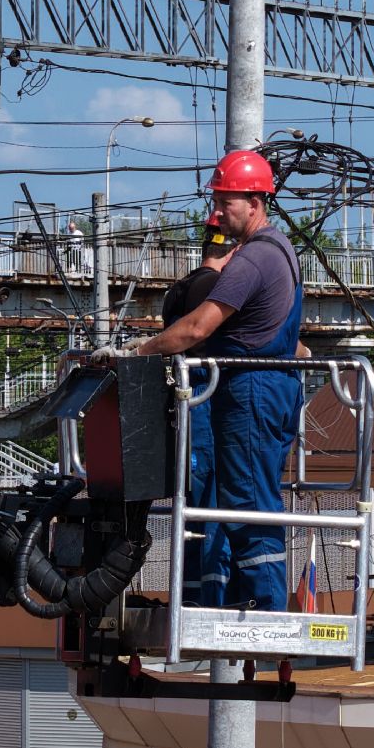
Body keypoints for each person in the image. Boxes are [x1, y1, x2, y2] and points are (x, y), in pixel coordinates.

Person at [132, 149, 303, 610]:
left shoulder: (251, 262)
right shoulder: (280, 251)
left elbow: (196, 328)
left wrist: (136, 353)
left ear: (255, 200)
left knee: (247, 502)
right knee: (243, 498)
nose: (219, 211)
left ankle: (265, 608)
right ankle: (249, 600)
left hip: (251, 391)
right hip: (261, 389)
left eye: (226, 201)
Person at [161, 210, 238, 605]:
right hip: (209, 402)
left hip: (186, 406)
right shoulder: (215, 288)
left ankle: (190, 595)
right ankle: (215, 597)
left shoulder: (180, 288)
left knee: (191, 505)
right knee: (215, 505)